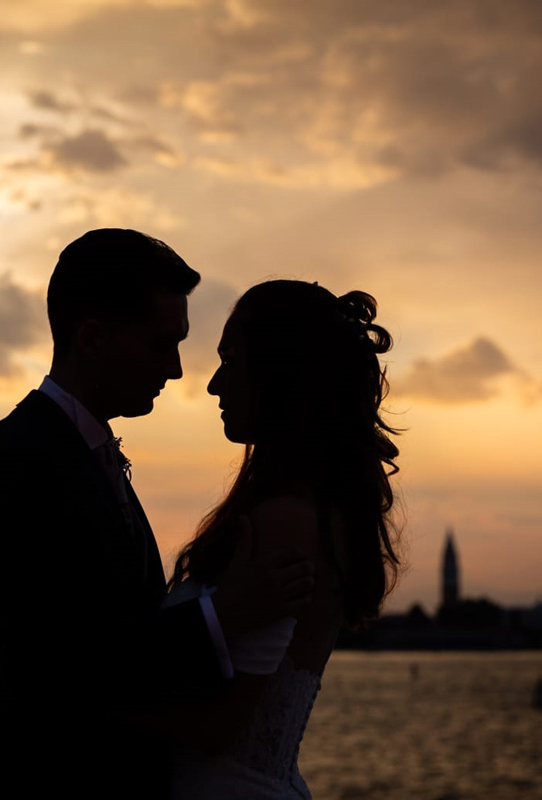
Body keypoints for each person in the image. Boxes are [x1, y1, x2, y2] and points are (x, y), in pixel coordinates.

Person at [0, 230, 314, 800]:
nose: (177, 372)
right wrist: (226, 615)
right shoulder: (16, 457)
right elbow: (59, 667)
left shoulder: (83, 456)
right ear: (94, 339)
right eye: (159, 345)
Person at [161, 279, 402, 799]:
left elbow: (219, 727)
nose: (214, 385)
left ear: (275, 372)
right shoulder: (310, 510)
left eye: (230, 361)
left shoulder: (285, 522)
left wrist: (76, 694)